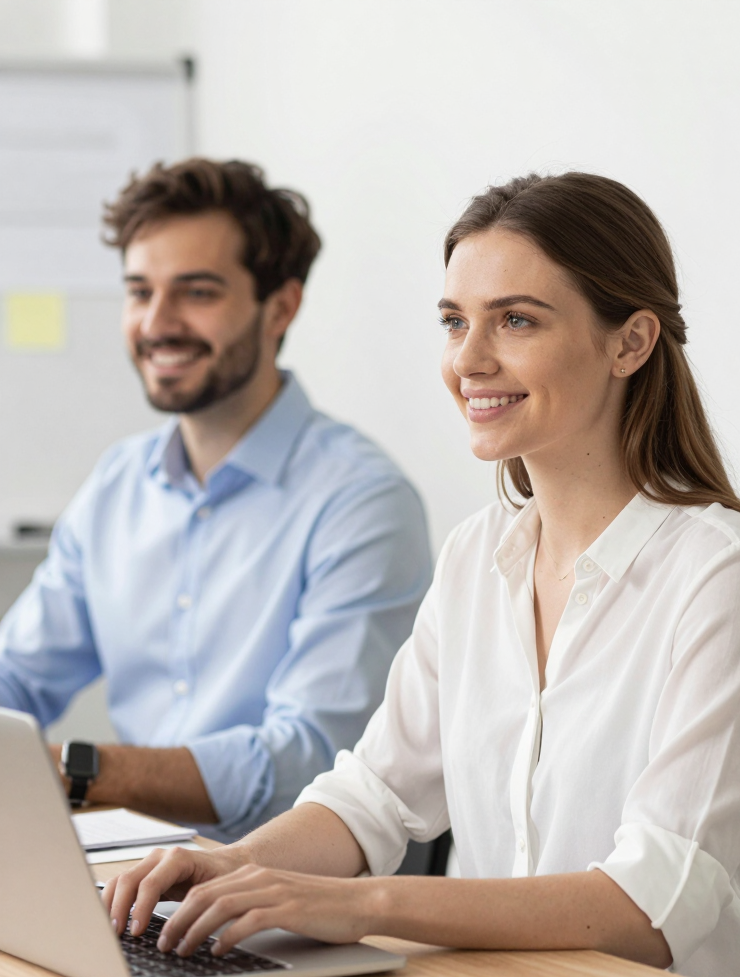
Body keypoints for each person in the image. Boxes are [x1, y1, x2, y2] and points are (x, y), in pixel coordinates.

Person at [103, 171, 740, 977]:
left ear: (630, 343)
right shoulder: (479, 556)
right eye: (454, 322)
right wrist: (238, 869)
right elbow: (375, 797)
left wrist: (362, 907)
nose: (468, 360)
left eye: (515, 319)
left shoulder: (724, 570)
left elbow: (652, 908)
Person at [0, 158, 431, 842]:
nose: (157, 323)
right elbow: (18, 675)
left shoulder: (361, 501)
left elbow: (310, 761)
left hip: (287, 900)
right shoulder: (117, 485)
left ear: (281, 307)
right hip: (134, 878)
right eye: (139, 292)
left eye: (196, 293)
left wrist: (79, 774)